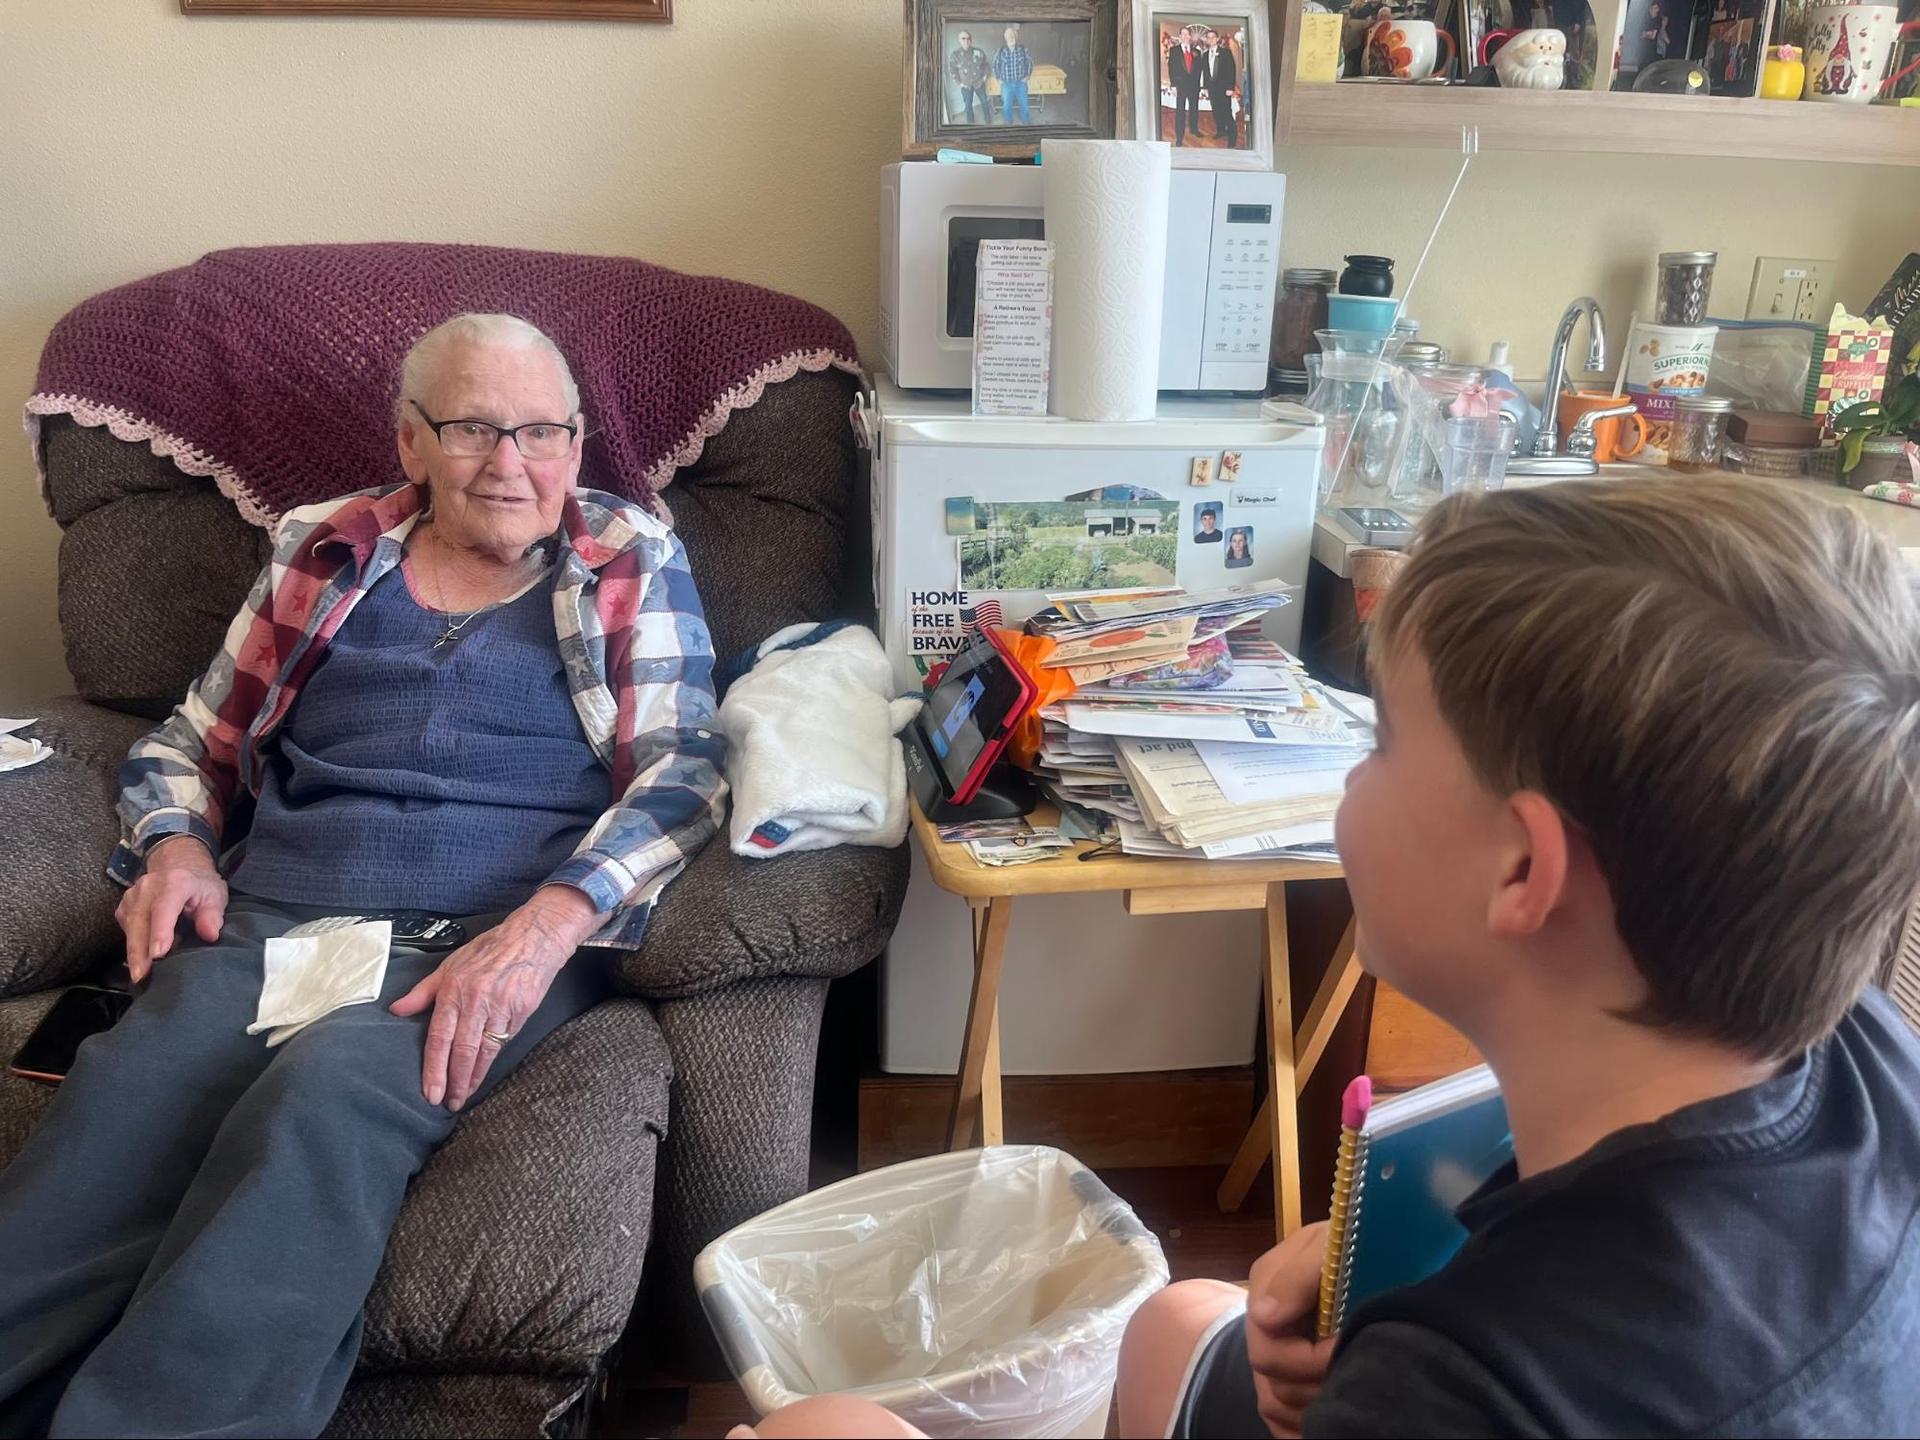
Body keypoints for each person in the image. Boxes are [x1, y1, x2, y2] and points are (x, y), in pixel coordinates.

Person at [731, 476, 1920, 1439]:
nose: (1351, 770)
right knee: (1182, 1315)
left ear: (1523, 872)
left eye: (1384, 739)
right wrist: (1385, 1269)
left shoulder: (1464, 1392)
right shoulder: (1857, 1048)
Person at [0, 313, 727, 1437]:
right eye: (475, 429)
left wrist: (544, 930)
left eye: (543, 431)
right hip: (279, 910)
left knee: (330, 1097)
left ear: (578, 444)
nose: (512, 464)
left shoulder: (628, 557)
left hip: (488, 931)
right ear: (411, 443)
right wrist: (178, 847)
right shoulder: (322, 548)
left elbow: (682, 775)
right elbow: (188, 741)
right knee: (135, 1088)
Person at [1166, 25, 1204, 145]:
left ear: (1190, 37)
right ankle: (1179, 136)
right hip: (1180, 86)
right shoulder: (1174, 51)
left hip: (1194, 87)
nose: (1185, 36)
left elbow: (1198, 70)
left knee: (1194, 109)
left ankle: (1193, 129)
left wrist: (1200, 86)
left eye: (1187, 34)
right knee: (1180, 112)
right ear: (1180, 37)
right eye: (1183, 34)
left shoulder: (1196, 52)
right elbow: (1171, 68)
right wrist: (1173, 85)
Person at [1202, 28, 1239, 146]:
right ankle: (1221, 131)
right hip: (1212, 89)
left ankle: (1232, 139)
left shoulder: (1226, 52)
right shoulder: (1205, 55)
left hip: (1224, 89)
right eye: (1209, 37)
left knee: (1227, 113)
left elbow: (1231, 70)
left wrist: (1230, 88)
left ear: (1217, 39)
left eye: (1213, 37)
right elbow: (1206, 73)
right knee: (1217, 112)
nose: (1211, 39)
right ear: (1207, 40)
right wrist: (1206, 88)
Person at [947, 29, 991, 124]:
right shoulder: (955, 55)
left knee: (984, 101)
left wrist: (984, 77)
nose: (966, 40)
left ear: (971, 40)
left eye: (968, 38)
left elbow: (986, 64)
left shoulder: (978, 51)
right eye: (963, 38)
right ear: (959, 40)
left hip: (979, 83)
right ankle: (971, 123)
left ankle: (988, 119)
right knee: (968, 105)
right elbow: (952, 69)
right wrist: (959, 83)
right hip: (966, 85)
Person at [993, 24, 1034, 125]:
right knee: (1006, 105)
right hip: (1006, 84)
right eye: (1009, 36)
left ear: (1016, 37)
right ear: (1006, 38)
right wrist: (998, 78)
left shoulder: (1022, 49)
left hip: (1021, 83)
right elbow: (995, 65)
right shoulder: (1001, 51)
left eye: (1013, 36)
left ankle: (1026, 121)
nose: (1011, 38)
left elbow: (1030, 62)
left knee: (1024, 104)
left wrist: (1028, 75)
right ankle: (1008, 121)